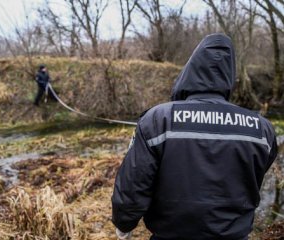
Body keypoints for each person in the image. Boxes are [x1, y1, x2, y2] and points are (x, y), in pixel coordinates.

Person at [111, 33, 278, 240]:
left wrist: (124, 223)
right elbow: (254, 177)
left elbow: (134, 182)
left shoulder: (158, 119)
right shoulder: (262, 128)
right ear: (229, 75)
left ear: (190, 70)